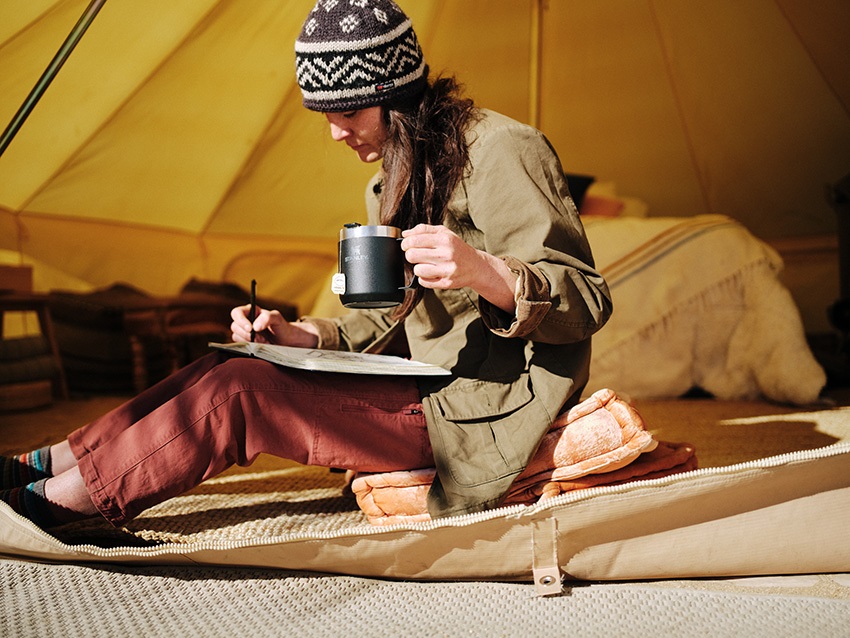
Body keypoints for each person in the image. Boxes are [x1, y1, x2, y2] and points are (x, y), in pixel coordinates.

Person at [1, 0, 612, 529]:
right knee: (235, 362)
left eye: (348, 113)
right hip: (416, 384)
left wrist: (484, 271)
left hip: (482, 407)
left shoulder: (503, 148)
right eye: (326, 115)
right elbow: (378, 327)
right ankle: (48, 465)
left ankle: (61, 506)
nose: (335, 133)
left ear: (394, 97)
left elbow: (586, 300)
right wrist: (296, 335)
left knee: (241, 395)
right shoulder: (390, 184)